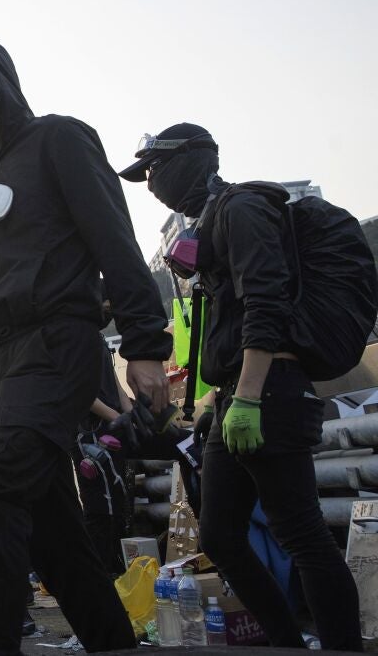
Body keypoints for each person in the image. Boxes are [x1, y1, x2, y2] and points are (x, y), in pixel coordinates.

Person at [0, 32, 172, 653]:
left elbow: (114, 239)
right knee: (50, 531)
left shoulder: (58, 140)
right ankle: (113, 643)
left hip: (55, 342)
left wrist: (146, 344)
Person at [120, 122, 363, 651]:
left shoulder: (242, 207)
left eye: (155, 169)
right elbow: (227, 326)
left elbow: (265, 302)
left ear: (192, 159)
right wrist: (217, 400)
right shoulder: (209, 222)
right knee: (221, 538)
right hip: (237, 394)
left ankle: (341, 646)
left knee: (301, 532)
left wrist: (249, 397)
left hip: (270, 390)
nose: (152, 183)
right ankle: (287, 643)